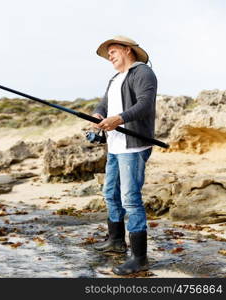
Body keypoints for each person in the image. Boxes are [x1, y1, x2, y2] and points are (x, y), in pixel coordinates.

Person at [92, 36, 157, 275]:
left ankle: (139, 258)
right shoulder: (115, 78)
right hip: (115, 146)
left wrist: (119, 118)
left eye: (113, 51)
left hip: (134, 147)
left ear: (128, 50)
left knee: (130, 199)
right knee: (110, 193)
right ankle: (116, 241)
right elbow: (103, 105)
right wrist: (99, 116)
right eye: (107, 53)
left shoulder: (143, 73)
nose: (109, 56)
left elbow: (145, 105)